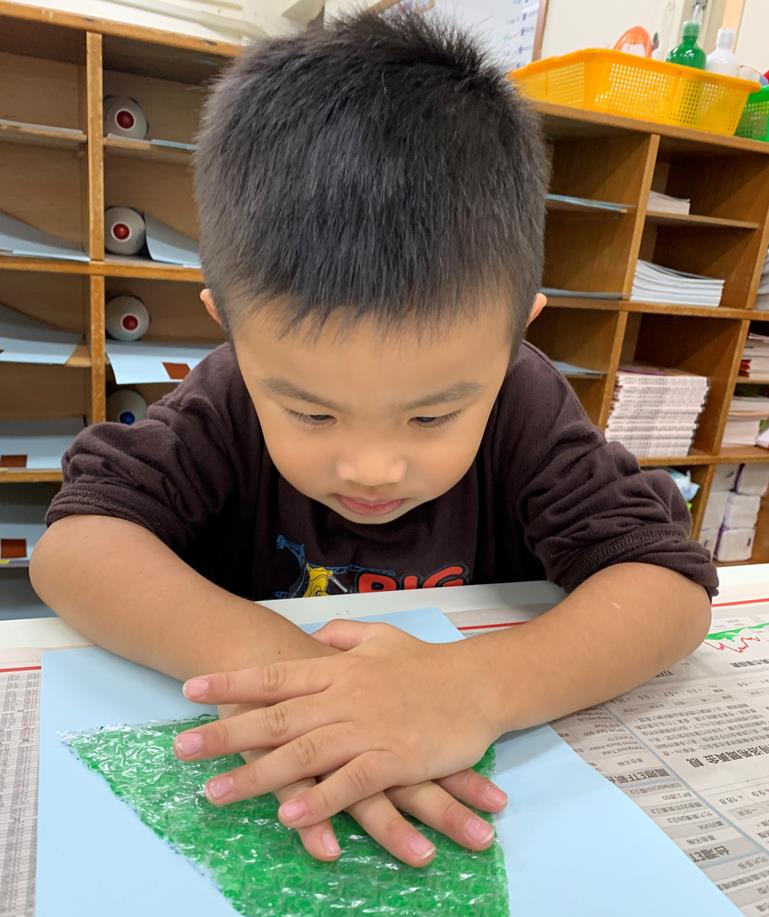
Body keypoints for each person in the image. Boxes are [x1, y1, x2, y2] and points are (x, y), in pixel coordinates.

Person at [30, 11, 715, 869]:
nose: (371, 467)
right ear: (231, 331)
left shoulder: (521, 398)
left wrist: (476, 686)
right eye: (312, 414)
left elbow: (667, 586)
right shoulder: (230, 394)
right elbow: (76, 547)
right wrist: (297, 680)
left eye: (430, 417)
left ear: (512, 339)